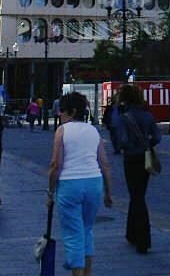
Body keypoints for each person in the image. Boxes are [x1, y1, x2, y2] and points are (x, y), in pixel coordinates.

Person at [47, 92, 113, 276]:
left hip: (70, 185)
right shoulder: (93, 131)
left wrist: (50, 192)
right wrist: (108, 192)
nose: (59, 114)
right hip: (94, 182)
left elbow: (55, 164)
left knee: (73, 234)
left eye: (62, 111)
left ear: (72, 111)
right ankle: (87, 272)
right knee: (87, 230)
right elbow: (105, 163)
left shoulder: (62, 131)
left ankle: (77, 273)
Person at [114, 84, 161, 254]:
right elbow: (157, 137)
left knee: (136, 196)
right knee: (138, 193)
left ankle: (142, 239)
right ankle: (131, 233)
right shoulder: (147, 116)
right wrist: (147, 143)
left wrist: (126, 145)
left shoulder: (123, 118)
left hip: (131, 158)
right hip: (145, 157)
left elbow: (123, 141)